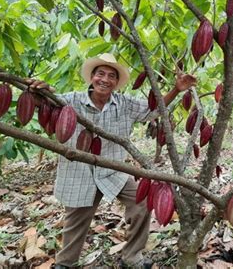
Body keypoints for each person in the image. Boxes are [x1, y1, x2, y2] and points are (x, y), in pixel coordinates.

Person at [29, 53, 196, 268]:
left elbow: (153, 110)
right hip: (79, 172)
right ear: (92, 77)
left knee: (142, 203)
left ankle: (132, 257)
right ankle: (65, 263)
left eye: (111, 76)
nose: (105, 80)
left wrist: (176, 89)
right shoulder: (70, 101)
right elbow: (46, 106)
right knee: (75, 223)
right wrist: (38, 94)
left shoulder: (124, 104)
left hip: (113, 171)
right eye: (100, 74)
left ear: (116, 83)